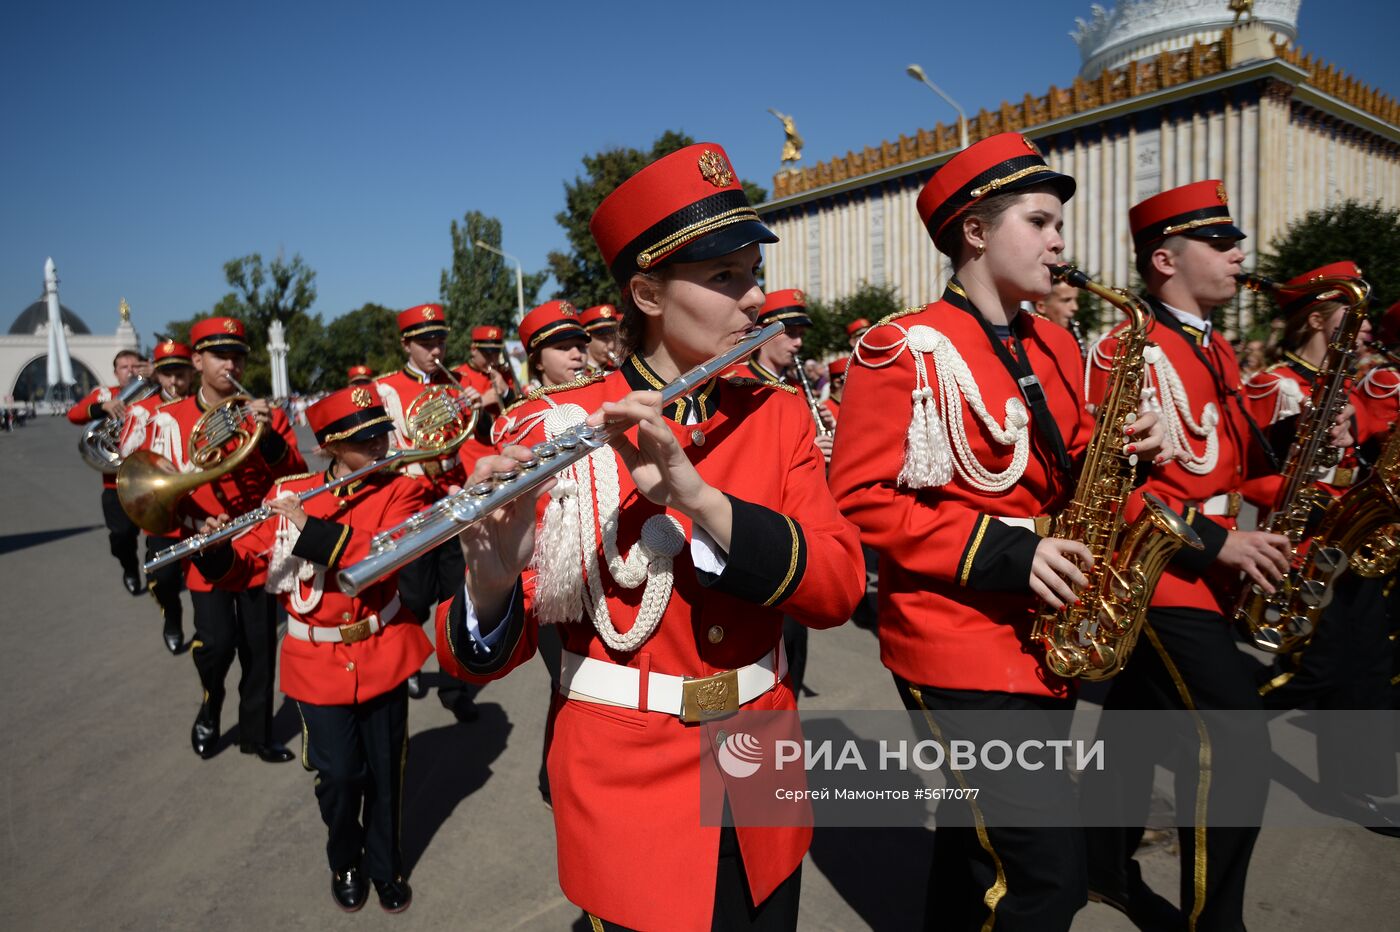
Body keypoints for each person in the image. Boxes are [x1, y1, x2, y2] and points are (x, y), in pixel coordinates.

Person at [437, 142, 865, 931]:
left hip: (762, 760)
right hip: (625, 778)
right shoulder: (562, 424)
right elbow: (479, 657)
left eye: (752, 274)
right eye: (725, 278)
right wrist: (492, 585)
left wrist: (703, 501)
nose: (754, 302)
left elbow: (838, 588)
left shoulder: (774, 415)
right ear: (647, 292)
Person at [829, 132, 1165, 932]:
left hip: (1043, 633)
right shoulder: (901, 347)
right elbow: (862, 497)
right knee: (1048, 874)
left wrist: (1126, 452)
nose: (1060, 243)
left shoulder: (1052, 340)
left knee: (977, 849)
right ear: (976, 231)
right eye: (1041, 222)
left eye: (1059, 226)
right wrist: (1012, 551)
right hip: (955, 640)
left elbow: (1069, 466)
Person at [1080, 181, 1348, 931]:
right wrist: (1221, 540)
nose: (1239, 254)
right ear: (1165, 259)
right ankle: (1214, 920)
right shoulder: (1125, 348)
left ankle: (1099, 867)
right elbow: (1108, 486)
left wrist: (1309, 495)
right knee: (1237, 747)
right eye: (1220, 243)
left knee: (1131, 729)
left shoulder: (1215, 345)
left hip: (1208, 572)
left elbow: (1231, 466)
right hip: (1160, 577)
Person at [192, 387, 429, 913]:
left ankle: (385, 865)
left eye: (381, 434)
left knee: (387, 773)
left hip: (382, 647)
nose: (381, 445)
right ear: (329, 448)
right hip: (315, 662)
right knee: (341, 776)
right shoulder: (290, 492)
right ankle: (345, 859)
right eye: (364, 441)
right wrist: (214, 553)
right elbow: (250, 567)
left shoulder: (400, 489)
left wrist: (306, 527)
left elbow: (381, 555)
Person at [1241, 262, 1397, 835]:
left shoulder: (1347, 387)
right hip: (1307, 545)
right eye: (1350, 319)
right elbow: (1247, 476)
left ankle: (1359, 787)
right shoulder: (1275, 384)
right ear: (1314, 317)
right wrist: (1314, 497)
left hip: (1352, 542)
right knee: (1314, 670)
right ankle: (1205, 721)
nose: (1363, 331)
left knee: (1368, 670)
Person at [124, 317, 306, 761]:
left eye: (239, 356)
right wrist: (196, 520)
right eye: (221, 356)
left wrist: (265, 441)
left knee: (260, 650)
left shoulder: (267, 413)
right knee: (218, 644)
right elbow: (156, 491)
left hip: (261, 545)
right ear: (198, 360)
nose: (232, 365)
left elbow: (296, 476)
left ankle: (256, 734)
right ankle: (211, 706)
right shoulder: (170, 419)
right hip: (206, 544)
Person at [374, 304, 481, 715]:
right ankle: (412, 659)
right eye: (425, 342)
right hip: (411, 505)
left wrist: (474, 407)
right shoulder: (385, 390)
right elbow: (377, 451)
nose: (435, 349)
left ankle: (455, 689)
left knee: (456, 598)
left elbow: (474, 438)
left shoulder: (454, 384)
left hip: (451, 502)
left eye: (439, 340)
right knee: (415, 597)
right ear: (407, 344)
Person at [119, 339, 197, 654]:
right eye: (167, 375)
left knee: (207, 581)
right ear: (157, 376)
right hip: (162, 513)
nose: (174, 383)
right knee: (164, 579)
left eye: (180, 375)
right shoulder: (142, 411)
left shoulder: (202, 408)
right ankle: (173, 617)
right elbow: (128, 457)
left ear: (191, 374)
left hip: (201, 508)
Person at [67, 348, 150, 595]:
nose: (131, 371)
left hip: (148, 479)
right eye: (124, 367)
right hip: (116, 483)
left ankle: (159, 574)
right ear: (115, 373)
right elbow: (74, 414)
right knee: (122, 537)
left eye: (135, 366)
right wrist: (102, 407)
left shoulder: (152, 391)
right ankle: (130, 567)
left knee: (161, 535)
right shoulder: (105, 394)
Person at [517, 300, 591, 391]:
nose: (577, 355)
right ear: (538, 362)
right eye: (562, 348)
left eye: (580, 346)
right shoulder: (528, 405)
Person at [580, 303, 622, 373]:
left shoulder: (615, 370)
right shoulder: (577, 375)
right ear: (586, 339)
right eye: (604, 338)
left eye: (613, 338)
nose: (611, 346)